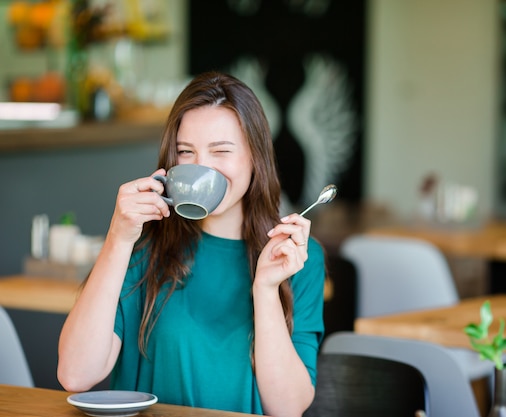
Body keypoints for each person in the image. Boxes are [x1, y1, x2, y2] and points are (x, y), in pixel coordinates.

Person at [57, 71, 326, 417]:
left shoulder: (294, 255)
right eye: (186, 152)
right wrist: (118, 238)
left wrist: (265, 289)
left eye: (221, 151)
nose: (202, 168)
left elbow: (287, 408)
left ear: (255, 158)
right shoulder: (144, 243)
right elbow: (75, 374)